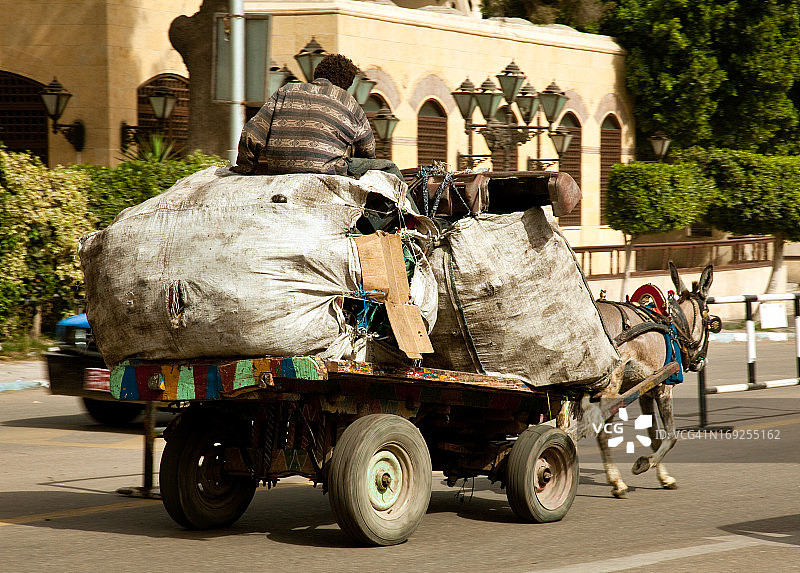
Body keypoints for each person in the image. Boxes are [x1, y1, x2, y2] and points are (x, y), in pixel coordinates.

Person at [232, 53, 402, 180]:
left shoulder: (285, 91)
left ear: (317, 74)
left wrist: (247, 166)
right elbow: (367, 149)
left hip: (279, 169)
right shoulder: (349, 102)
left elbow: (252, 132)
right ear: (346, 84)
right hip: (327, 171)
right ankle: (415, 217)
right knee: (389, 167)